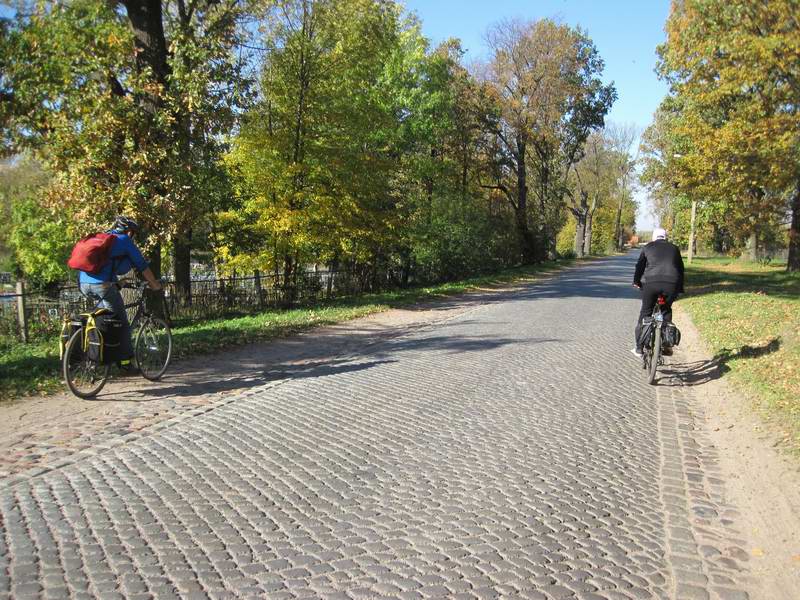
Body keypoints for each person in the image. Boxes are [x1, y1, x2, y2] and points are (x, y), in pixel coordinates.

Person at [78, 216, 162, 368]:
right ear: (129, 232)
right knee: (121, 322)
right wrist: (154, 284)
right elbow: (142, 265)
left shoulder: (102, 238)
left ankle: (98, 352)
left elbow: (106, 266)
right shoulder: (124, 240)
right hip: (102, 286)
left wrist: (117, 283)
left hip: (83, 284)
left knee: (103, 319)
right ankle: (125, 362)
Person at [632, 227, 685, 357]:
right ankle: (667, 345)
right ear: (665, 237)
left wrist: (636, 282)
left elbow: (639, 266)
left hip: (651, 283)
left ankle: (639, 348)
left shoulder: (648, 247)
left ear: (654, 237)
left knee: (645, 312)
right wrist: (680, 288)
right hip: (671, 284)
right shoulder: (674, 248)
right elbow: (681, 269)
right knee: (666, 310)